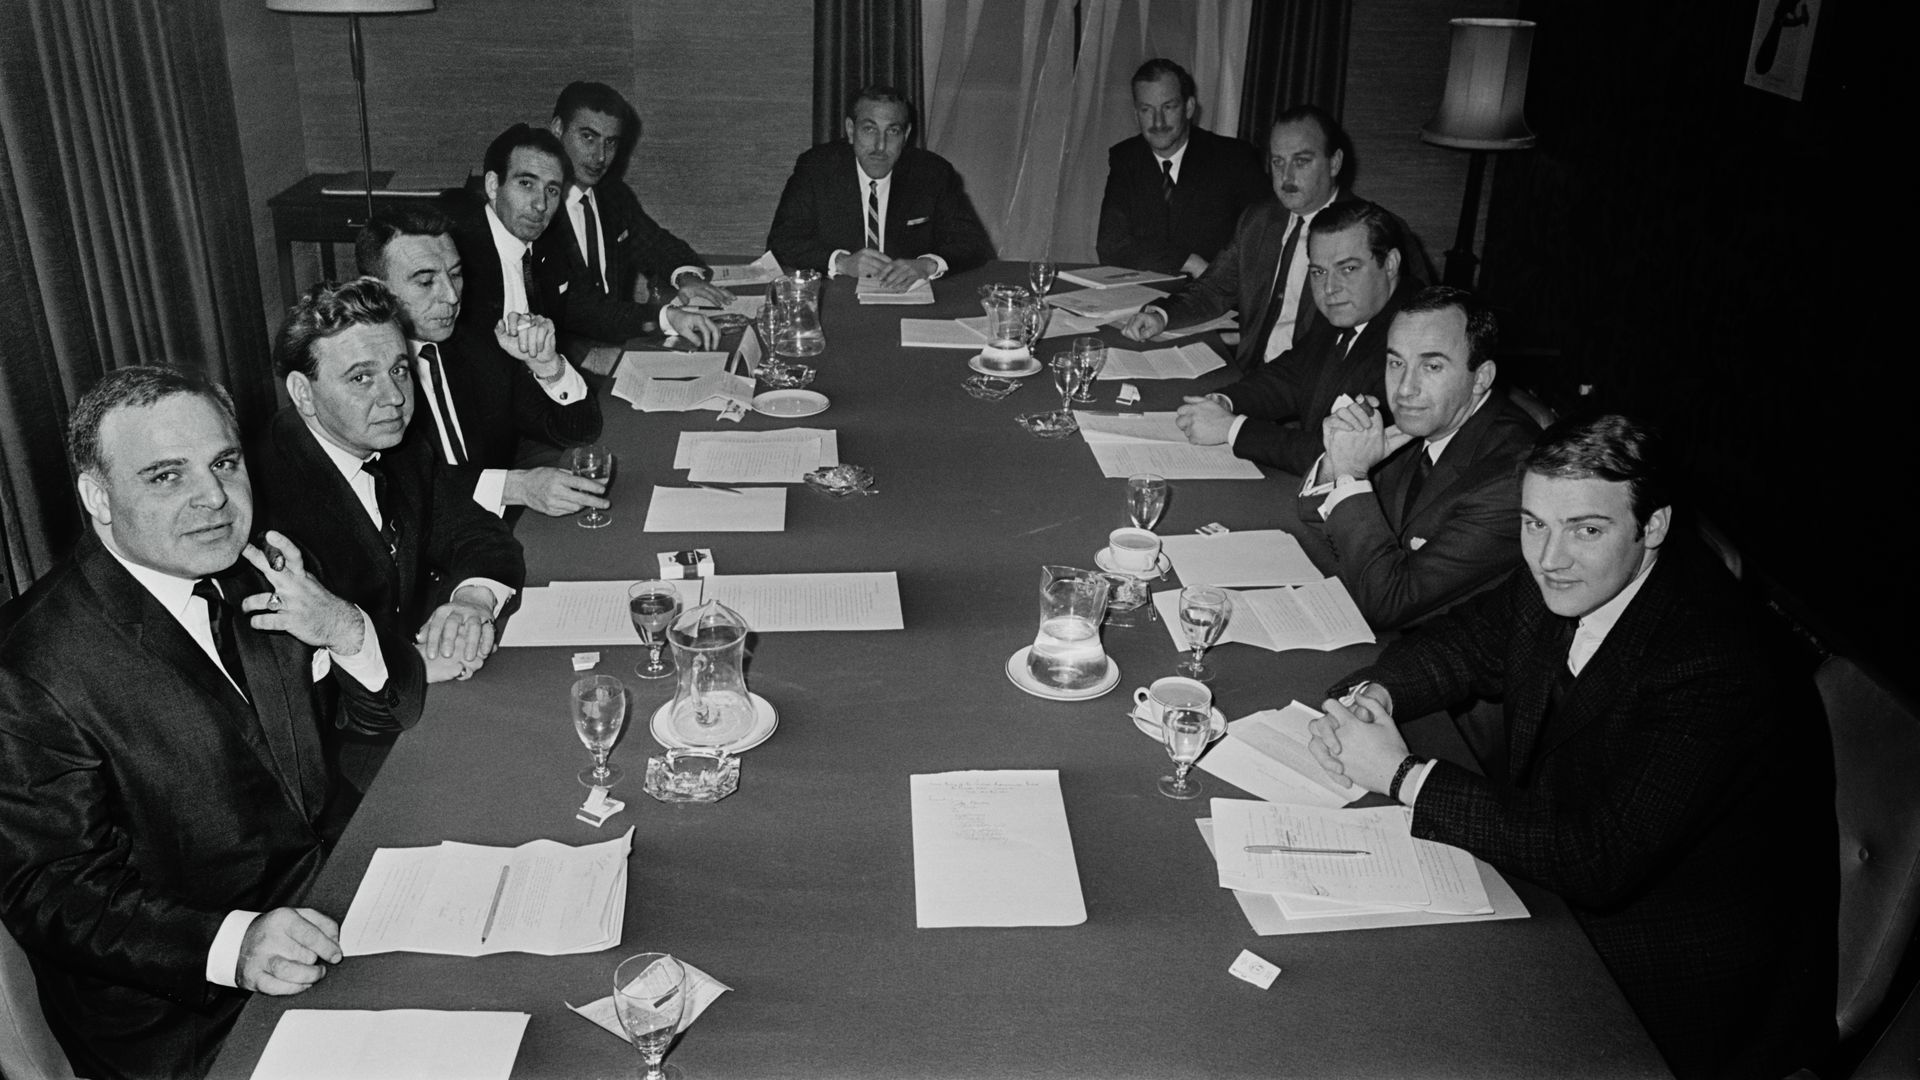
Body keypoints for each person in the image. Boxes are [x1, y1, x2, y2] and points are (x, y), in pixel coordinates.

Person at [1307, 415, 1836, 1079]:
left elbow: (1599, 856)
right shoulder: (1566, 569)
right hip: (1559, 884)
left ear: (1656, 528)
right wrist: (1375, 695)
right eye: (1533, 523)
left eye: (1586, 528)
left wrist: (1405, 774)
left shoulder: (1716, 662)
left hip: (1665, 979)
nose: (1548, 556)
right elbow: (1461, 642)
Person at [0, 366, 423, 1079]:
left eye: (224, 463)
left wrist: (346, 632)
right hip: (193, 1015)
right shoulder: (28, 665)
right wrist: (235, 946)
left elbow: (387, 720)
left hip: (343, 903)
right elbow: (53, 893)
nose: (214, 498)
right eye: (166, 476)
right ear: (98, 498)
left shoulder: (265, 570)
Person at [248, 278, 525, 793]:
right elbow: (294, 689)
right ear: (302, 393)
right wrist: (413, 663)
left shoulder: (397, 448)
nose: (394, 396)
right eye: (361, 378)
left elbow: (480, 535)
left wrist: (471, 600)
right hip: (342, 762)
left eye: (399, 370)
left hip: (415, 706)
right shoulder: (260, 499)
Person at [1296, 286, 1538, 628]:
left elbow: (1388, 604)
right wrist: (1337, 460)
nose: (1405, 388)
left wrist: (1352, 474)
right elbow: (1310, 513)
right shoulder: (1425, 420)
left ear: (1481, 377)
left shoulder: (1513, 479)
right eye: (1396, 362)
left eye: (1432, 366)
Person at [356, 203, 606, 518]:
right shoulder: (359, 379)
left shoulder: (476, 346)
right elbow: (401, 490)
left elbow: (580, 431)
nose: (451, 295)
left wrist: (547, 365)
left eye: (456, 275)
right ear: (375, 290)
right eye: (425, 282)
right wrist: (515, 487)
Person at [1170, 199, 1419, 476]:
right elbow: (1290, 376)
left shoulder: (1414, 343)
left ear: (1391, 263)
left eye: (1348, 269)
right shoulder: (1351, 309)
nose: (1329, 288)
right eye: (1318, 272)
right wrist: (1224, 402)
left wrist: (1231, 428)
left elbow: (1340, 455)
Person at [1122, 105, 1355, 368]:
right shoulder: (1259, 220)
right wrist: (1162, 315)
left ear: (1334, 162)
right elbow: (1214, 288)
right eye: (1278, 162)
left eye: (1301, 162)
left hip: (1313, 390)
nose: (1286, 176)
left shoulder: (1364, 233)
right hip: (1248, 376)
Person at [451, 123, 716, 350]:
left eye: (552, 190)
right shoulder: (458, 262)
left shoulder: (541, 251)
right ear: (492, 186)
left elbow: (586, 310)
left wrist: (667, 317)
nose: (541, 204)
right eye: (526, 184)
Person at [767, 84, 994, 287]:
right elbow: (781, 241)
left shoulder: (933, 173)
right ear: (850, 130)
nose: (880, 145)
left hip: (909, 301)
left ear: (905, 135)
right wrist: (841, 262)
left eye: (892, 131)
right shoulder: (816, 168)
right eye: (869, 129)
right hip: (839, 299)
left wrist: (926, 265)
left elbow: (974, 244)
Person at [545, 81, 734, 311]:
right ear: (557, 129)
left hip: (619, 336)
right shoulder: (538, 205)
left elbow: (659, 247)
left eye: (610, 142)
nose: (600, 156)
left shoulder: (613, 195)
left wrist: (686, 277)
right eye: (588, 138)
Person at [1094, 58, 1268, 279]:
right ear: (1135, 114)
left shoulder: (1233, 158)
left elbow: (1263, 237)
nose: (1158, 122)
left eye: (1168, 107)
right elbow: (1110, 246)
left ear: (1189, 107)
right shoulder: (1126, 158)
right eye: (1146, 109)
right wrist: (1189, 262)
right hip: (1143, 297)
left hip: (1215, 302)